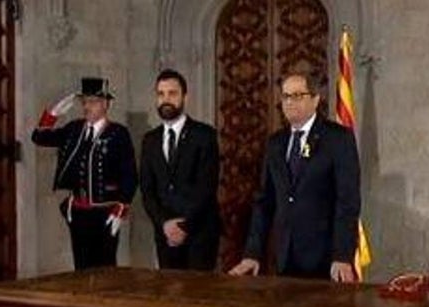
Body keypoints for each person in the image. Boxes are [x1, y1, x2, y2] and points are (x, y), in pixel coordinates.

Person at [228, 71, 360, 282]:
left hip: (325, 260)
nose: (290, 102)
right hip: (283, 257)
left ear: (316, 99)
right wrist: (252, 254)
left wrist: (342, 255)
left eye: (298, 96)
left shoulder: (337, 139)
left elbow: (348, 202)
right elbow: (264, 203)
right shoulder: (276, 143)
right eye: (286, 96)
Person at [31, 77, 137, 270]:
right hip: (78, 212)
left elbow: (129, 175)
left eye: (93, 102)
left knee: (105, 269)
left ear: (106, 104)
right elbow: (39, 137)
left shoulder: (118, 133)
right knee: (81, 268)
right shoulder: (74, 129)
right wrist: (53, 114)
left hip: (105, 212)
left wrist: (120, 209)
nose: (87, 106)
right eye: (85, 102)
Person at [140, 69, 221, 270]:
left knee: (197, 297)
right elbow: (147, 191)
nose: (166, 99)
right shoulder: (150, 140)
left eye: (172, 93)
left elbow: (206, 187)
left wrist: (183, 227)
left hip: (199, 233)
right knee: (168, 296)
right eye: (161, 94)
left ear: (185, 97)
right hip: (165, 235)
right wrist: (165, 224)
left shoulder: (204, 135)